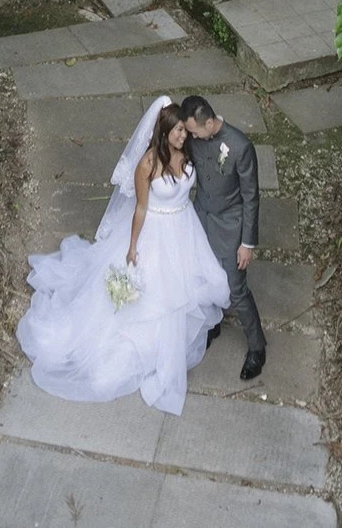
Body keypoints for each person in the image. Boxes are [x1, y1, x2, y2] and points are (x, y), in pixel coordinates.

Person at [16, 94, 230, 414]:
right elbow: (141, 208)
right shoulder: (147, 164)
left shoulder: (189, 152)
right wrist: (132, 247)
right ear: (162, 131)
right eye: (175, 131)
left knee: (191, 285)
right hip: (155, 231)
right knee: (156, 297)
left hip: (185, 227)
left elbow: (212, 140)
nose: (181, 136)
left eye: (184, 131)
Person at [181, 91, 266, 380]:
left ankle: (257, 347)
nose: (189, 137)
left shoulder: (240, 146)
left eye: (192, 131)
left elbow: (251, 197)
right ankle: (212, 323)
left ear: (207, 123)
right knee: (203, 275)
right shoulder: (194, 138)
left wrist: (247, 243)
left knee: (236, 287)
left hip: (231, 224)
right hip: (201, 217)